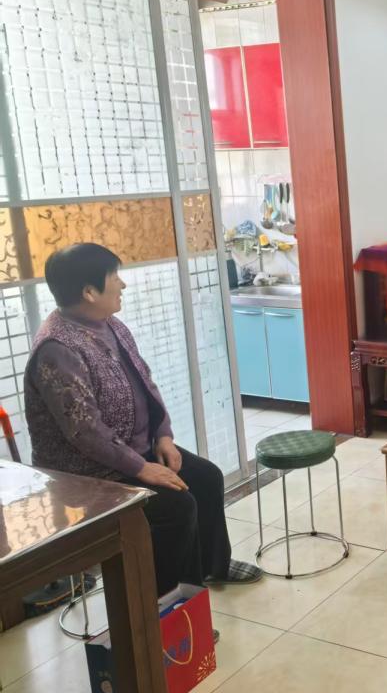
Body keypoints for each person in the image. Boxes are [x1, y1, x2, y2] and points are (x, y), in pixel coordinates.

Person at [24, 244, 263, 601]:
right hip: (88, 473)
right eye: (114, 278)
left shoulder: (110, 324)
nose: (122, 285)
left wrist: (163, 436)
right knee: (176, 508)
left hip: (135, 451)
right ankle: (164, 607)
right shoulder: (57, 349)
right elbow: (85, 432)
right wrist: (141, 468)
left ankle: (212, 567)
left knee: (206, 477)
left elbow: (144, 381)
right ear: (89, 292)